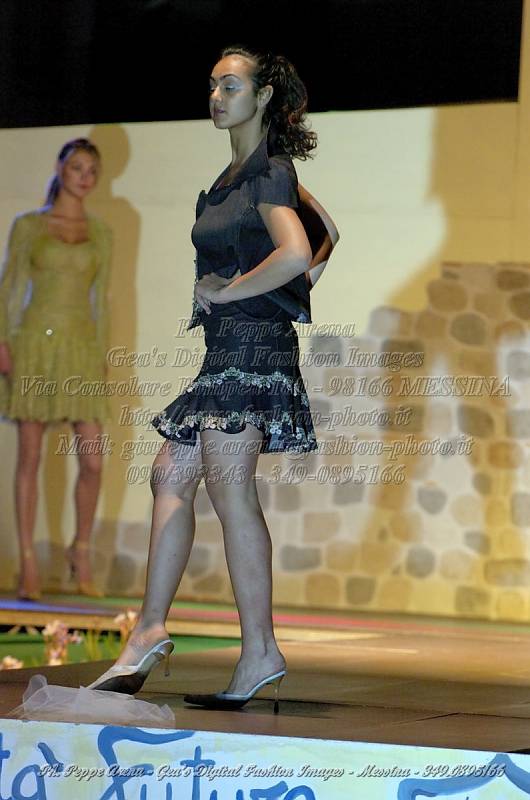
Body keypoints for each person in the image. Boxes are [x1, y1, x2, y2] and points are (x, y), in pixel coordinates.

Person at [88, 46, 339, 711]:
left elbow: (295, 250)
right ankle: (150, 631)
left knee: (229, 491)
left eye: (230, 85)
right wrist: (273, 294)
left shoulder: (269, 171)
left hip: (250, 353)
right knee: (170, 472)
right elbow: (325, 239)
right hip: (228, 351)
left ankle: (258, 650)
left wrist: (232, 293)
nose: (216, 96)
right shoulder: (237, 177)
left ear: (263, 96)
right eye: (212, 85)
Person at [0, 138, 113, 600]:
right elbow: (9, 286)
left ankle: (80, 551)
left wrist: (103, 354)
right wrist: (3, 342)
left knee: (93, 459)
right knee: (30, 456)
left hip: (81, 348)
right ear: (61, 168)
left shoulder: (101, 232)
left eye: (92, 171)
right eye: (78, 167)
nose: (85, 177)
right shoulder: (29, 225)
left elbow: (102, 299)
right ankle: (28, 561)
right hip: (33, 344)